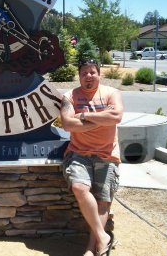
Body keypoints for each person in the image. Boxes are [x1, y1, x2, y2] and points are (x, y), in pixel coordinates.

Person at [60, 59, 123, 256]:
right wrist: (102, 119)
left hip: (107, 154)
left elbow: (117, 117)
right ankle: (103, 237)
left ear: (99, 74)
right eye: (84, 73)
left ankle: (92, 247)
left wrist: (84, 116)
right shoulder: (69, 96)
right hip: (79, 152)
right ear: (79, 76)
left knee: (103, 201)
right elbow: (68, 125)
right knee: (79, 187)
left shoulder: (112, 93)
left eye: (92, 72)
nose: (89, 76)